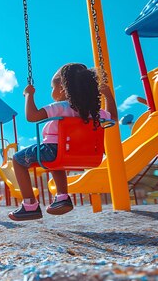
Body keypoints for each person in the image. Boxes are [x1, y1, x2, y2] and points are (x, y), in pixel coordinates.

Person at [9, 63, 118, 221]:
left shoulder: (59, 107)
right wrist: (107, 95)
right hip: (86, 153)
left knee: (17, 160)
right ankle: (62, 198)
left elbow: (32, 116)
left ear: (62, 89)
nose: (52, 91)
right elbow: (113, 118)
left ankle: (30, 205)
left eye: (52, 87)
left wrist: (28, 95)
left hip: (54, 150)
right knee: (56, 160)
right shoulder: (93, 112)